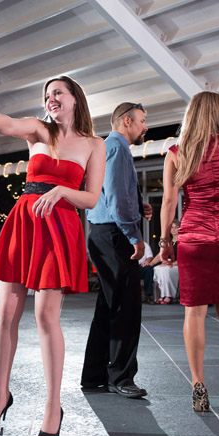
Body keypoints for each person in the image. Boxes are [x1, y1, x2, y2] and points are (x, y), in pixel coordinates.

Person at [0, 75, 105, 436]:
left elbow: (93, 198)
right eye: (47, 95)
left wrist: (65, 190)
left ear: (75, 98)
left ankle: (53, 405)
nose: (51, 99)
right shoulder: (37, 130)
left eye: (58, 93)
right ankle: (0, 394)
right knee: (5, 315)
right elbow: (7, 123)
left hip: (60, 227)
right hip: (25, 223)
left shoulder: (95, 144)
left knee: (46, 317)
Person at [159, 91, 219, 417]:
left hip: (194, 237)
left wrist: (164, 241)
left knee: (195, 312)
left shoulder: (177, 152)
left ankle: (198, 383)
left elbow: (170, 203)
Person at [81, 101, 150, 399]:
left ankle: (94, 375)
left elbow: (110, 194)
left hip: (101, 233)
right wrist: (135, 236)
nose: (145, 126)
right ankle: (121, 377)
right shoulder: (118, 148)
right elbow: (118, 200)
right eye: (142, 121)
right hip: (115, 237)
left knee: (107, 307)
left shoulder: (104, 147)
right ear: (126, 121)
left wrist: (138, 206)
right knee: (125, 308)